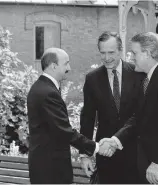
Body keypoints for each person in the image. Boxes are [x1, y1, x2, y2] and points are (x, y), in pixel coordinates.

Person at [102, 32, 158, 184]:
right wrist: (115, 140)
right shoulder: (149, 79)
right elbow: (138, 118)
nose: (131, 58)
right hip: (150, 165)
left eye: (134, 53)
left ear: (147, 53)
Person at [27, 48, 113, 184]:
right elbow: (63, 131)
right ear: (54, 66)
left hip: (46, 166)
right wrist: (95, 147)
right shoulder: (47, 92)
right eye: (66, 63)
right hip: (51, 170)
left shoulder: (41, 87)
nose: (69, 68)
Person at [79, 31, 144, 184]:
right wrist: (85, 154)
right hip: (106, 154)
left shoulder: (139, 74)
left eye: (111, 52)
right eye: (103, 53)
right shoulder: (92, 78)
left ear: (121, 50)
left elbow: (142, 114)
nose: (106, 58)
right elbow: (87, 118)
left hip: (135, 153)